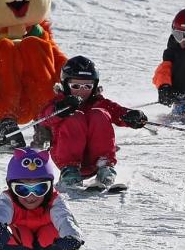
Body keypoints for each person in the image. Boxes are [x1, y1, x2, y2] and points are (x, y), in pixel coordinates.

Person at [36, 56, 148, 189]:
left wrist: (130, 116)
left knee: (99, 113)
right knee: (74, 116)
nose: (82, 90)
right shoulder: (59, 103)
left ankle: (104, 167)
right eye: (75, 86)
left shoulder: (99, 102)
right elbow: (44, 117)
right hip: (67, 159)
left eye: (87, 86)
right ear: (65, 84)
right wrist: (59, 109)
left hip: (96, 159)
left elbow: (117, 112)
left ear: (94, 86)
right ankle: (70, 173)